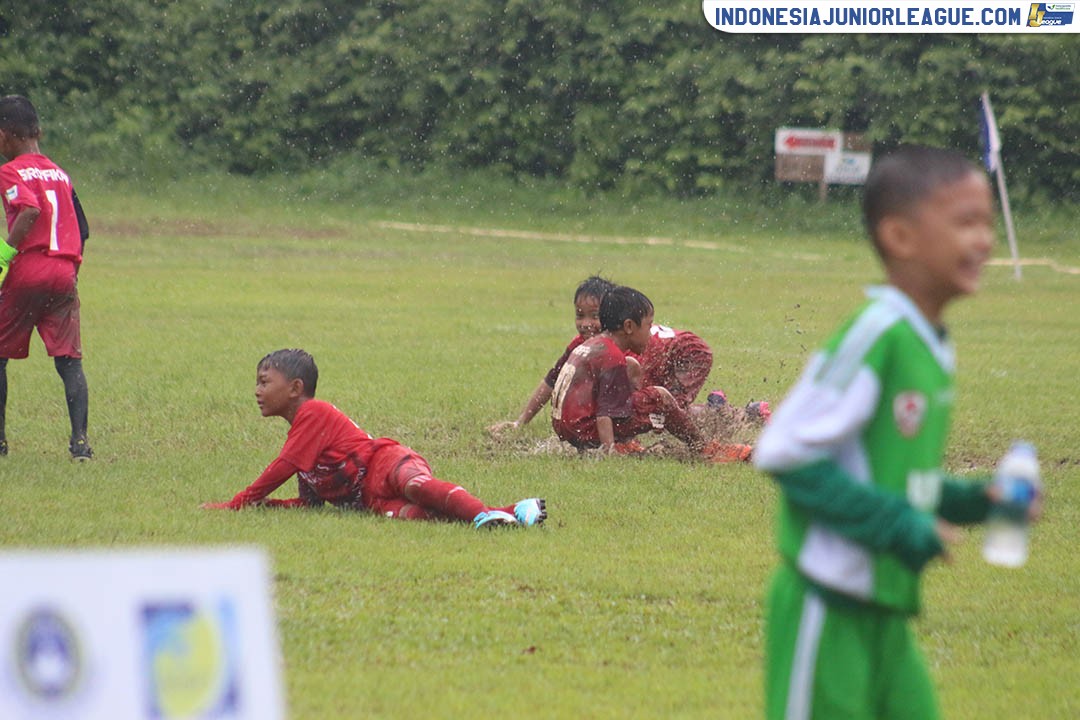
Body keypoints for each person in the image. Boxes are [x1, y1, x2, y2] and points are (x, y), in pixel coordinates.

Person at [753, 145, 1042, 720]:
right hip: (828, 608)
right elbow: (782, 452)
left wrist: (975, 499)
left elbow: (896, 476)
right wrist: (899, 525)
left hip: (887, 615)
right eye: (966, 223)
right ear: (901, 238)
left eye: (986, 223)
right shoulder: (876, 335)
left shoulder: (930, 343)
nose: (984, 240)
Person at [203, 349, 547, 529]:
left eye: (265, 382)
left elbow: (283, 467)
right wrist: (267, 507)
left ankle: (482, 516)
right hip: (371, 499)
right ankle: (513, 511)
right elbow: (309, 503)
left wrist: (238, 503)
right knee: (416, 516)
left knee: (417, 487)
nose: (257, 391)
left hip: (385, 462)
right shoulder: (302, 433)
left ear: (295, 389)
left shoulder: (313, 412)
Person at [550, 285, 750, 462]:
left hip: (567, 427)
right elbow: (604, 413)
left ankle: (626, 441)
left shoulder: (594, 344)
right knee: (660, 397)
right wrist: (609, 452)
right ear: (629, 326)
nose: (650, 331)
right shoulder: (611, 356)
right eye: (648, 325)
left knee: (631, 366)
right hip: (585, 431)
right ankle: (703, 449)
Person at [0, 95, 92, 460]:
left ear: (5, 135)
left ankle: (1, 442)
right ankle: (80, 445)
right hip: (65, 271)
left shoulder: (10, 171)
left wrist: (3, 257)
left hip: (29, 269)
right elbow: (82, 228)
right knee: (69, 361)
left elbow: (29, 210)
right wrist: (72, 272)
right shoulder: (60, 173)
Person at [489, 274, 616, 436]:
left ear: (611, 315)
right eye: (579, 315)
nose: (585, 324)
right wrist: (520, 422)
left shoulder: (620, 348)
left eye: (595, 316)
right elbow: (552, 381)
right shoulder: (578, 346)